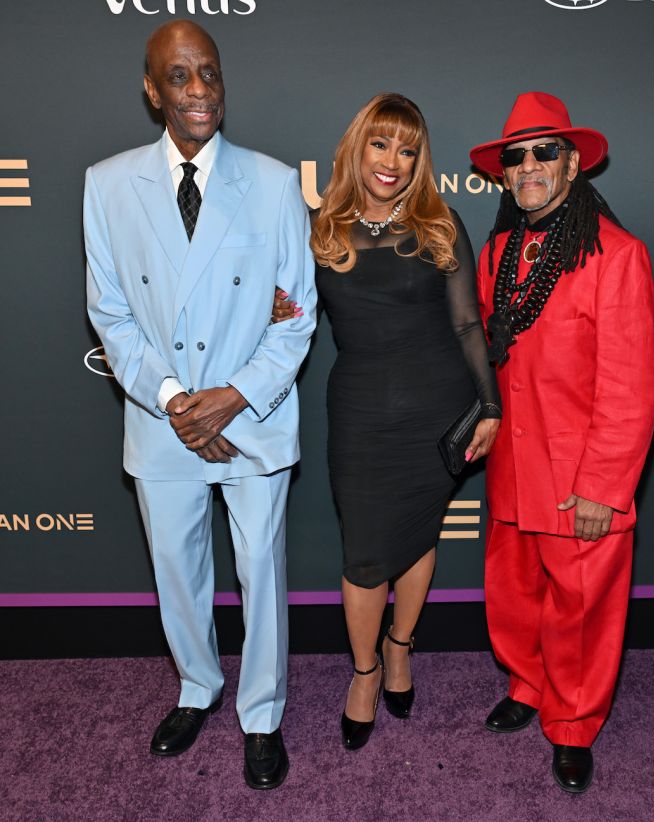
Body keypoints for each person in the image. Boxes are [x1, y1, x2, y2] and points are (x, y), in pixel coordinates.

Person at [84, 20, 316, 790]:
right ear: (153, 91)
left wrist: (232, 399)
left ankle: (262, 713)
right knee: (177, 570)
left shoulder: (276, 182)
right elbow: (111, 313)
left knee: (258, 567)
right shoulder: (108, 183)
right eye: (179, 77)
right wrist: (180, 402)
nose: (198, 92)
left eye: (209, 74)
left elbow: (295, 314)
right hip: (164, 418)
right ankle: (196, 686)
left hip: (250, 415)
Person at [275, 93, 501, 750]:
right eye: (381, 145)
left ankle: (400, 647)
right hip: (361, 414)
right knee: (366, 553)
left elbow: (465, 322)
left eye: (407, 150)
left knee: (417, 535)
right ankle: (366, 670)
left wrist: (489, 404)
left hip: (437, 407)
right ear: (358, 148)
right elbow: (284, 316)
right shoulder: (321, 228)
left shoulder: (438, 222)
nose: (393, 162)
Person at [469, 92, 654, 792]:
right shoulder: (496, 254)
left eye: (544, 151)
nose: (528, 167)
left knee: (581, 607)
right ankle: (526, 685)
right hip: (514, 466)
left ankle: (574, 723)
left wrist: (604, 488)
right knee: (514, 592)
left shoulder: (618, 255)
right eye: (515, 156)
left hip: (580, 475)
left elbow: (633, 384)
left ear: (573, 162)